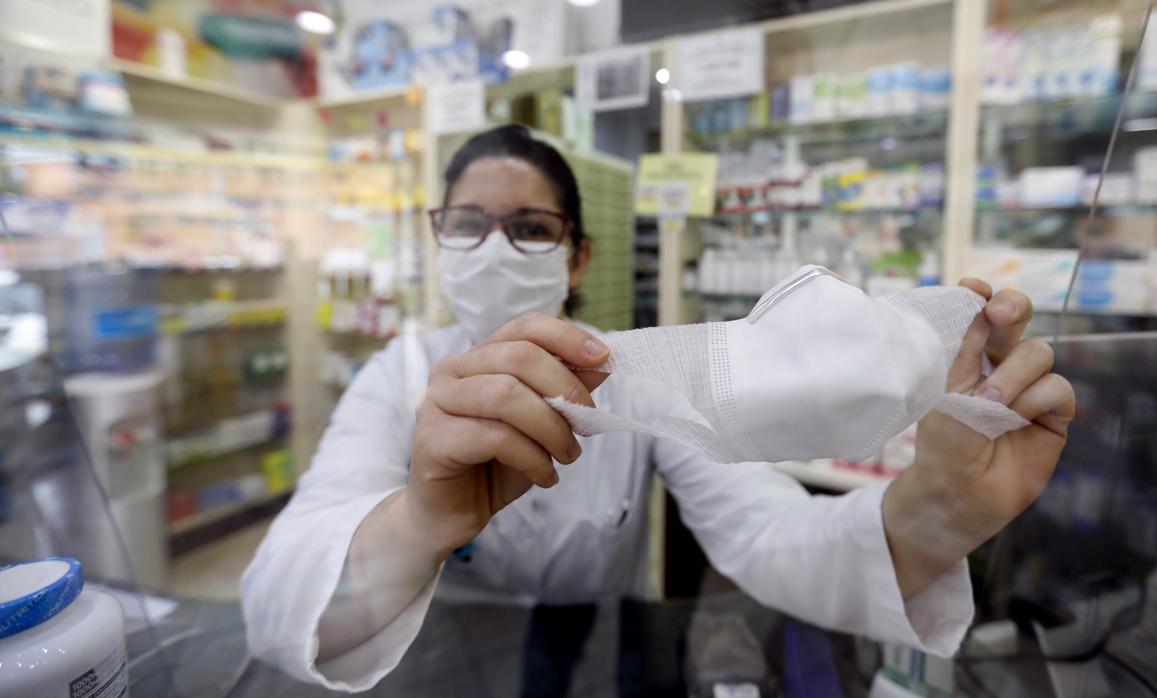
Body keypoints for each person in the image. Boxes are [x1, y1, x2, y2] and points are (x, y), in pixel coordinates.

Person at [241, 125, 1076, 692]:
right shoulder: (398, 376)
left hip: (602, 662)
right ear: (437, 237)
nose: (495, 249)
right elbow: (276, 597)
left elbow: (767, 534)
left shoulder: (619, 373)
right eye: (468, 224)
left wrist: (935, 510)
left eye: (530, 228)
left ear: (577, 255)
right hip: (428, 665)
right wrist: (421, 518)